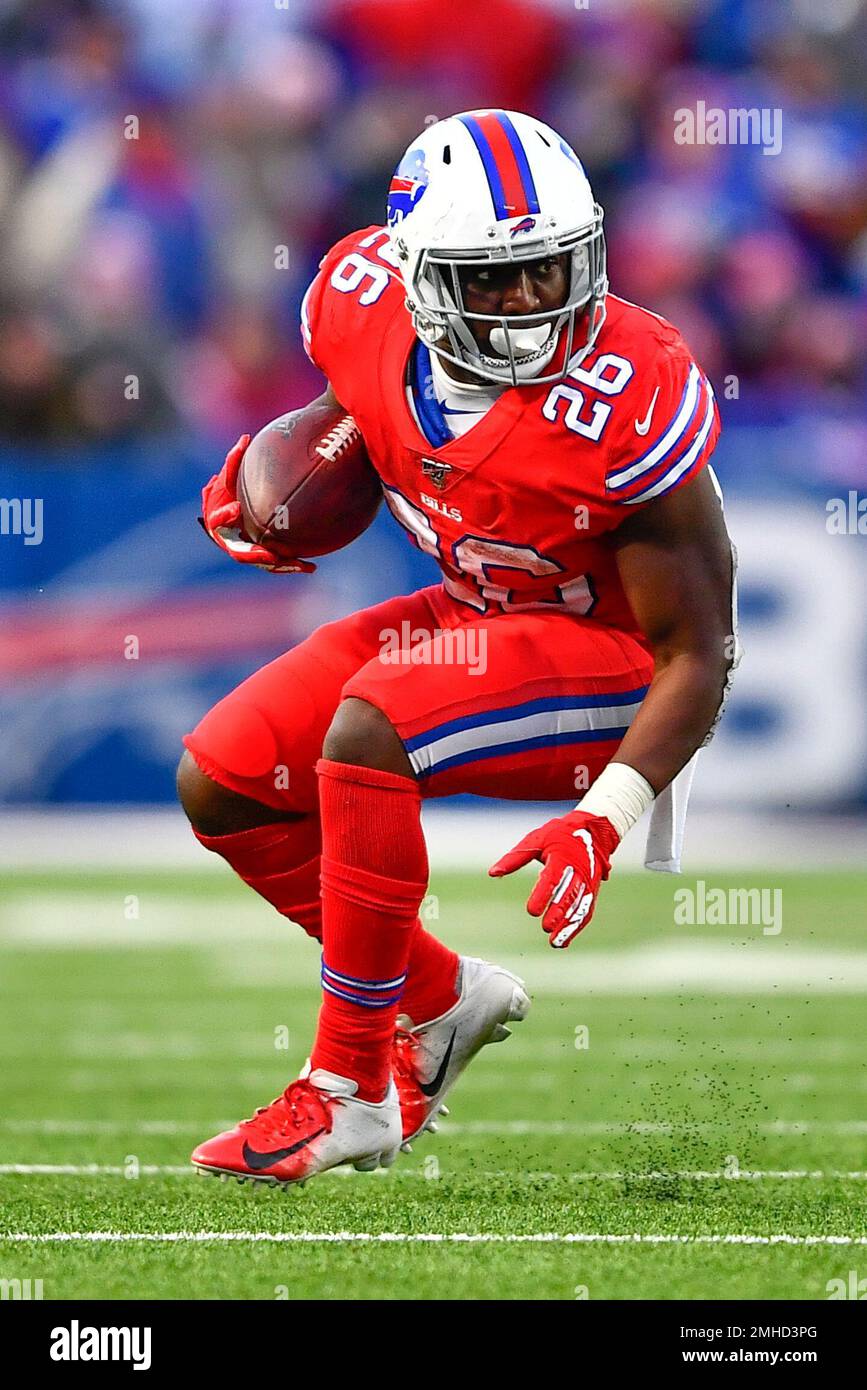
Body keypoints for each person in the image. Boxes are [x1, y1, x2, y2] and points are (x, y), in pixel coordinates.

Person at [177, 109, 736, 1187]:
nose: (534, 300)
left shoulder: (631, 388)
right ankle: (437, 1000)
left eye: (550, 268)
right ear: (421, 278)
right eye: (498, 278)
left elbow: (701, 653)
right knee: (228, 776)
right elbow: (345, 424)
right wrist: (260, 490)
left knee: (372, 721)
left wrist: (607, 814)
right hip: (474, 615)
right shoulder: (360, 302)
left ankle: (350, 1093)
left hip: (614, 661)